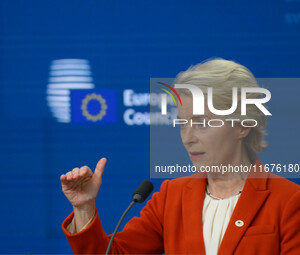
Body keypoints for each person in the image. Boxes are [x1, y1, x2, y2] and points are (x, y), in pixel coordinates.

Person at [60, 58, 300, 254]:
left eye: (201, 123)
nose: (188, 137)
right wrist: (84, 208)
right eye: (183, 124)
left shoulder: (289, 200)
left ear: (242, 126)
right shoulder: (171, 197)